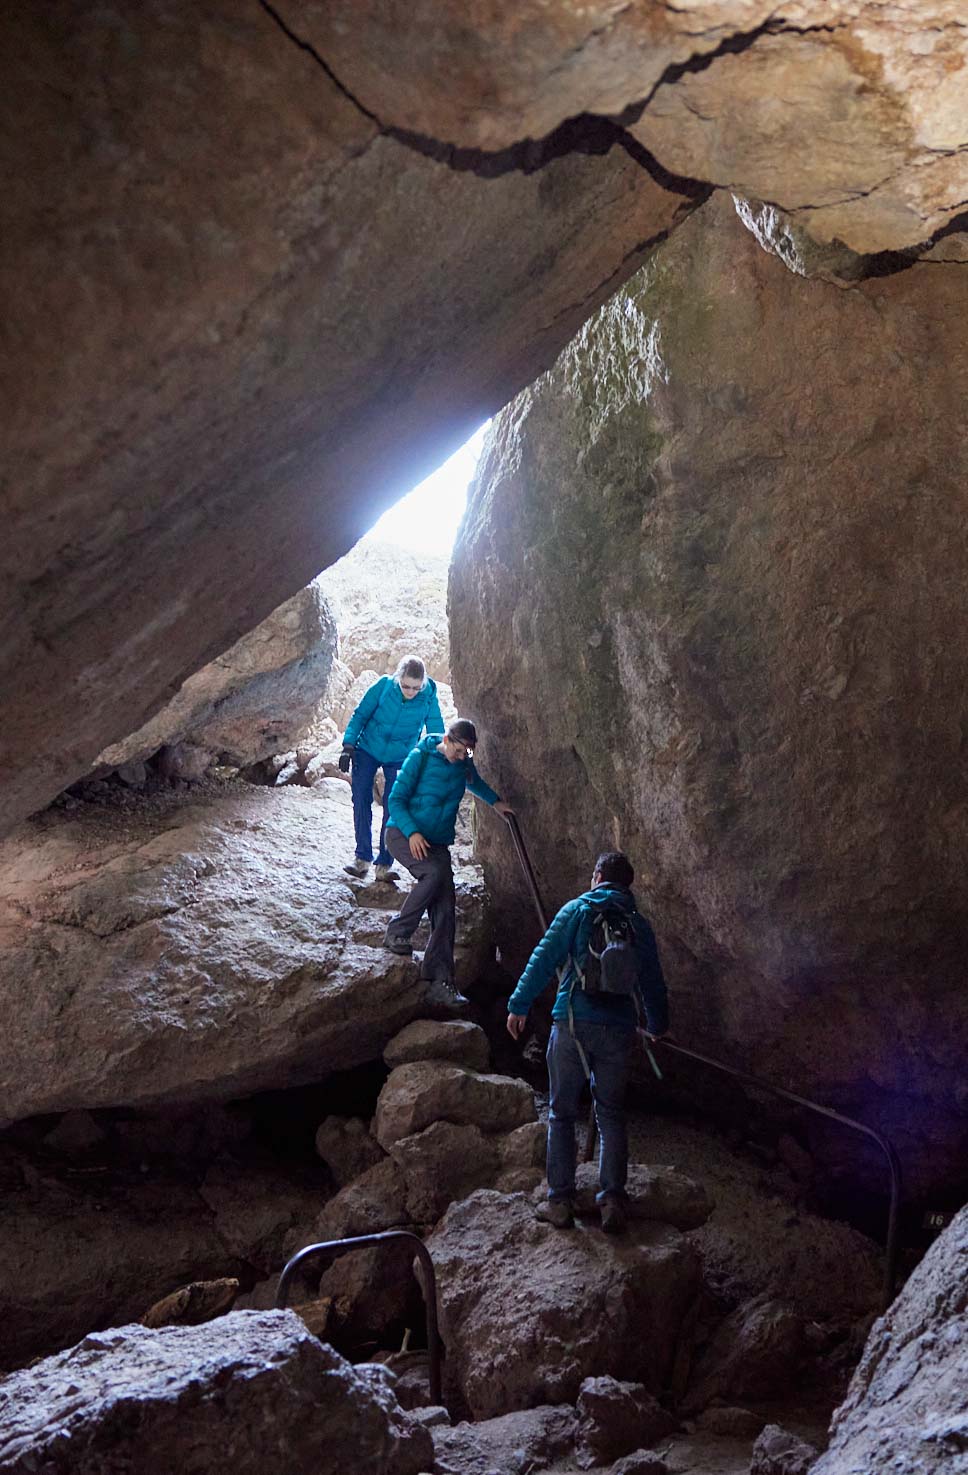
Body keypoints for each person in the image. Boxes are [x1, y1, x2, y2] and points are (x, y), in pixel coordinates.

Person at [506, 851, 668, 1234]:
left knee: (562, 1112)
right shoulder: (638, 924)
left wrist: (519, 1004)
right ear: (628, 885)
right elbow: (653, 983)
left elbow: (543, 957)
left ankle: (559, 1202)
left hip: (573, 1023)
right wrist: (658, 1025)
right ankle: (612, 1200)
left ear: (596, 876)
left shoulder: (577, 911)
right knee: (611, 1113)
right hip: (618, 1029)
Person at [383, 718, 513, 1000]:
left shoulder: (463, 764)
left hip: (437, 842)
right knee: (433, 874)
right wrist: (413, 832)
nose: (460, 758)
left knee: (445, 902)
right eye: (458, 751)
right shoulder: (421, 756)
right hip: (403, 834)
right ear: (447, 740)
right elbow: (396, 799)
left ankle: (441, 981)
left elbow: (475, 783)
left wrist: (497, 803)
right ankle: (397, 931)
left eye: (467, 753)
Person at [339, 657, 444, 882]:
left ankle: (384, 865)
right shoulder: (384, 686)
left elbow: (435, 730)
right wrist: (348, 746)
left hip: (400, 755)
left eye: (416, 687)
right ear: (398, 679)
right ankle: (362, 858)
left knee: (393, 807)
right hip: (368, 748)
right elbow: (360, 715)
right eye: (406, 686)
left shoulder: (428, 696)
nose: (411, 691)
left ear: (423, 683)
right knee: (360, 799)